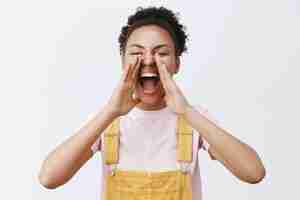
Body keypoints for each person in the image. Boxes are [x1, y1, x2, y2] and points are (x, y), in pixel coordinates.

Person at [38, 6, 266, 200]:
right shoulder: (107, 120)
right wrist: (110, 112)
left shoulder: (194, 119)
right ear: (122, 62)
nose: (148, 61)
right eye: (136, 52)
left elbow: (254, 173)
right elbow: (48, 178)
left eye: (161, 53)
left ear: (177, 63)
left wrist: (186, 111)